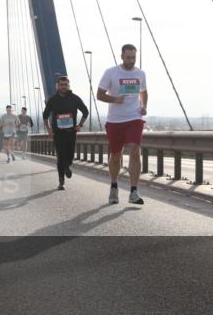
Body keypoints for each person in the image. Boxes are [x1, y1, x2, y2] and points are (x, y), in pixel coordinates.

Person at [97, 44, 148, 205]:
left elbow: (144, 91)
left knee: (135, 150)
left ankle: (134, 191)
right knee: (116, 155)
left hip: (134, 118)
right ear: (122, 57)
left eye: (133, 57)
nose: (131, 60)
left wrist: (144, 106)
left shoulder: (140, 73)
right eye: (128, 57)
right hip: (115, 120)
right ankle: (114, 186)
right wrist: (114, 99)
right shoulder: (111, 72)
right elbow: (99, 94)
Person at [42, 76, 89, 190]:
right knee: (60, 156)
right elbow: (45, 115)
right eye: (61, 84)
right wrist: (49, 129)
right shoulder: (52, 100)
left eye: (65, 84)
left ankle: (67, 166)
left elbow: (85, 112)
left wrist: (80, 125)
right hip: (58, 133)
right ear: (57, 86)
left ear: (68, 85)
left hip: (71, 132)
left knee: (70, 155)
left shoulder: (75, 98)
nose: (63, 86)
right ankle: (61, 181)